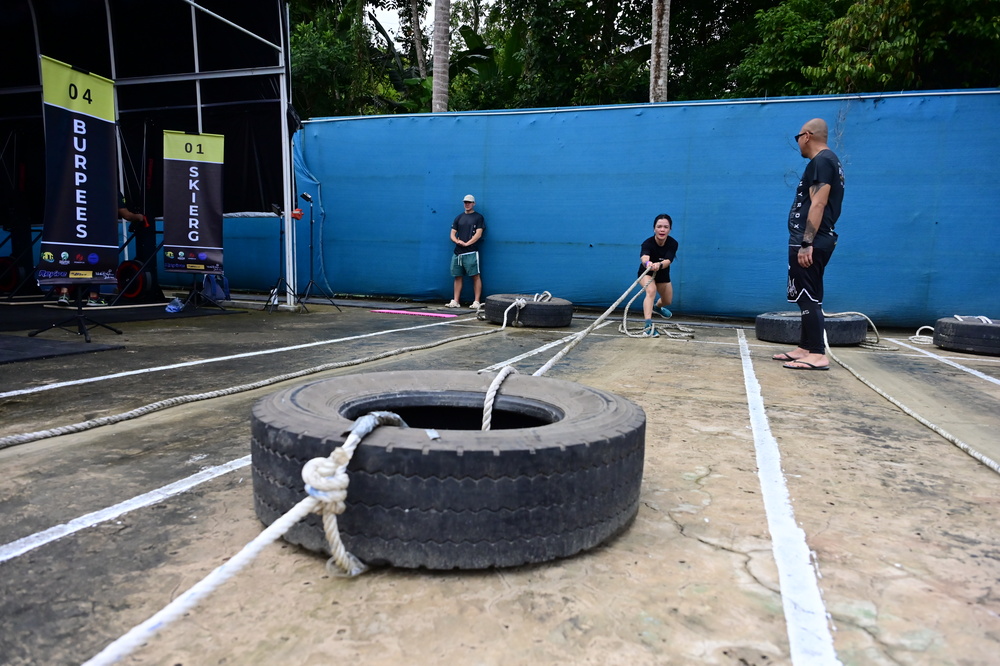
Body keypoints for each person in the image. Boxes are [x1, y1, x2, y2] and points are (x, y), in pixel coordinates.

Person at [772, 118, 845, 371]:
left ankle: (816, 353)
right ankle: (805, 347)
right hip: (813, 239)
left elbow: (818, 203)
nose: (798, 143)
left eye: (798, 138)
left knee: (808, 297)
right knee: (808, 295)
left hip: (811, 241)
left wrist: (806, 242)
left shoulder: (822, 161)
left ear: (807, 136)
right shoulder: (827, 161)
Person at [56, 192, 147, 306]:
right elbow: (126, 215)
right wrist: (140, 217)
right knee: (94, 262)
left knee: (71, 260)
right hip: (96, 232)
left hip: (75, 229)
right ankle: (93, 297)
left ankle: (64, 293)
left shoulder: (75, 185)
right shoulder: (109, 187)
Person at [637, 213, 678, 337]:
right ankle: (648, 326)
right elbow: (644, 257)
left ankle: (657, 308)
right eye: (659, 226)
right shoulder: (647, 243)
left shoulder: (673, 243)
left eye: (666, 227)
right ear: (654, 228)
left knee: (667, 300)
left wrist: (659, 265)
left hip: (662, 273)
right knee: (651, 291)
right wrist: (648, 263)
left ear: (670, 229)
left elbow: (668, 260)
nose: (662, 229)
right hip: (647, 273)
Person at [446, 194, 485, 309]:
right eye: (465, 202)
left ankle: (476, 301)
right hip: (457, 253)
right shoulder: (458, 217)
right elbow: (452, 234)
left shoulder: (478, 217)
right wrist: (457, 241)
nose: (467, 204)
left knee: (475, 276)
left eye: (469, 202)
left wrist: (467, 243)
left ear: (474, 204)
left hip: (471, 252)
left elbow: (478, 234)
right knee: (457, 276)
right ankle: (456, 301)